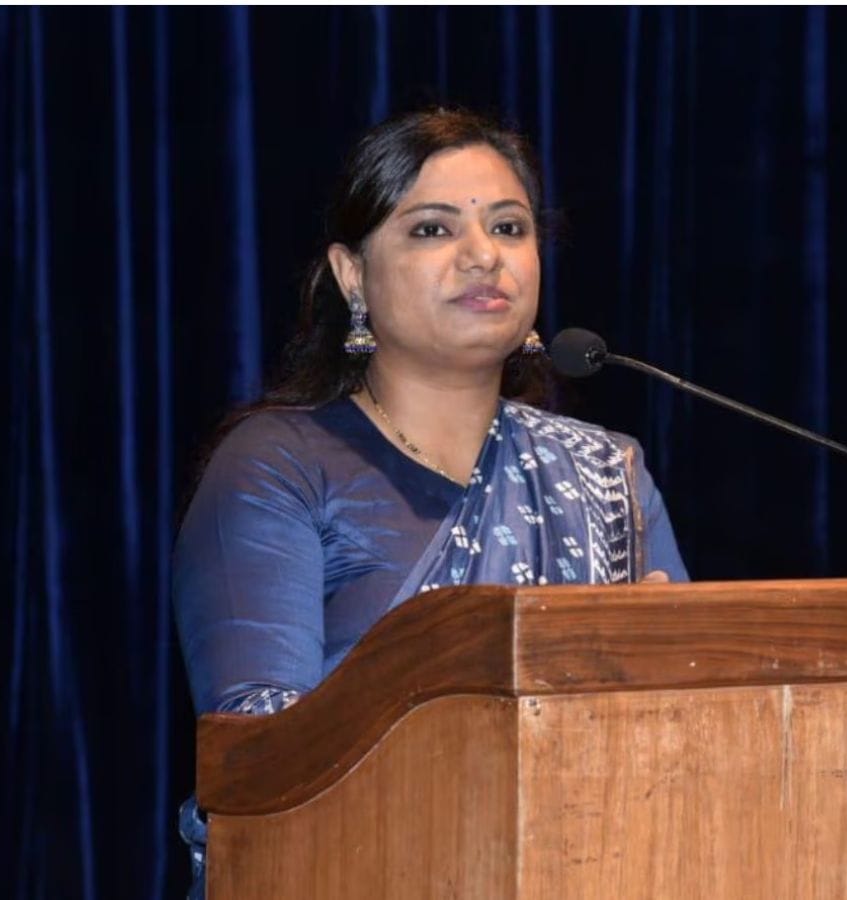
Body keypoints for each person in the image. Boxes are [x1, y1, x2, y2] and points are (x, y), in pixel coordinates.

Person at [173, 106, 689, 895]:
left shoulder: (607, 474)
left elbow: (686, 738)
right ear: (352, 275)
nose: (484, 255)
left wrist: (661, 678)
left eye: (509, 227)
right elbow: (260, 755)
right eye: (432, 230)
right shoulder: (278, 466)